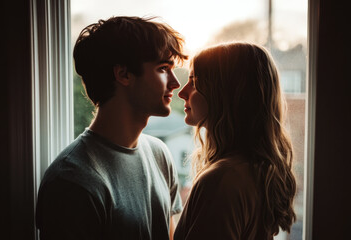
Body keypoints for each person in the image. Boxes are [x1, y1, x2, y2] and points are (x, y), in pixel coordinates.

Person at [36, 16, 188, 240]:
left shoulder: (160, 154)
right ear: (123, 74)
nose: (175, 83)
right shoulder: (71, 181)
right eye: (163, 68)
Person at [174, 42, 297, 240]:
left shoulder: (221, 181)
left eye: (194, 82)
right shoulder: (257, 170)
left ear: (225, 92)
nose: (182, 92)